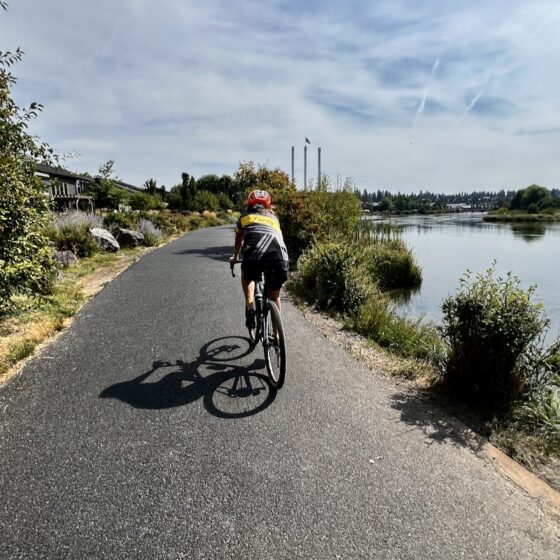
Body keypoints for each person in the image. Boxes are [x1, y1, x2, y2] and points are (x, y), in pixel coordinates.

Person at [230, 189, 289, 329]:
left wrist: (236, 257)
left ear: (249, 203)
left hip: (255, 255)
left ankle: (250, 305)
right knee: (274, 296)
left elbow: (239, 239)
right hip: (280, 256)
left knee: (247, 276)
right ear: (268, 205)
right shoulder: (275, 218)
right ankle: (276, 335)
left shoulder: (244, 217)